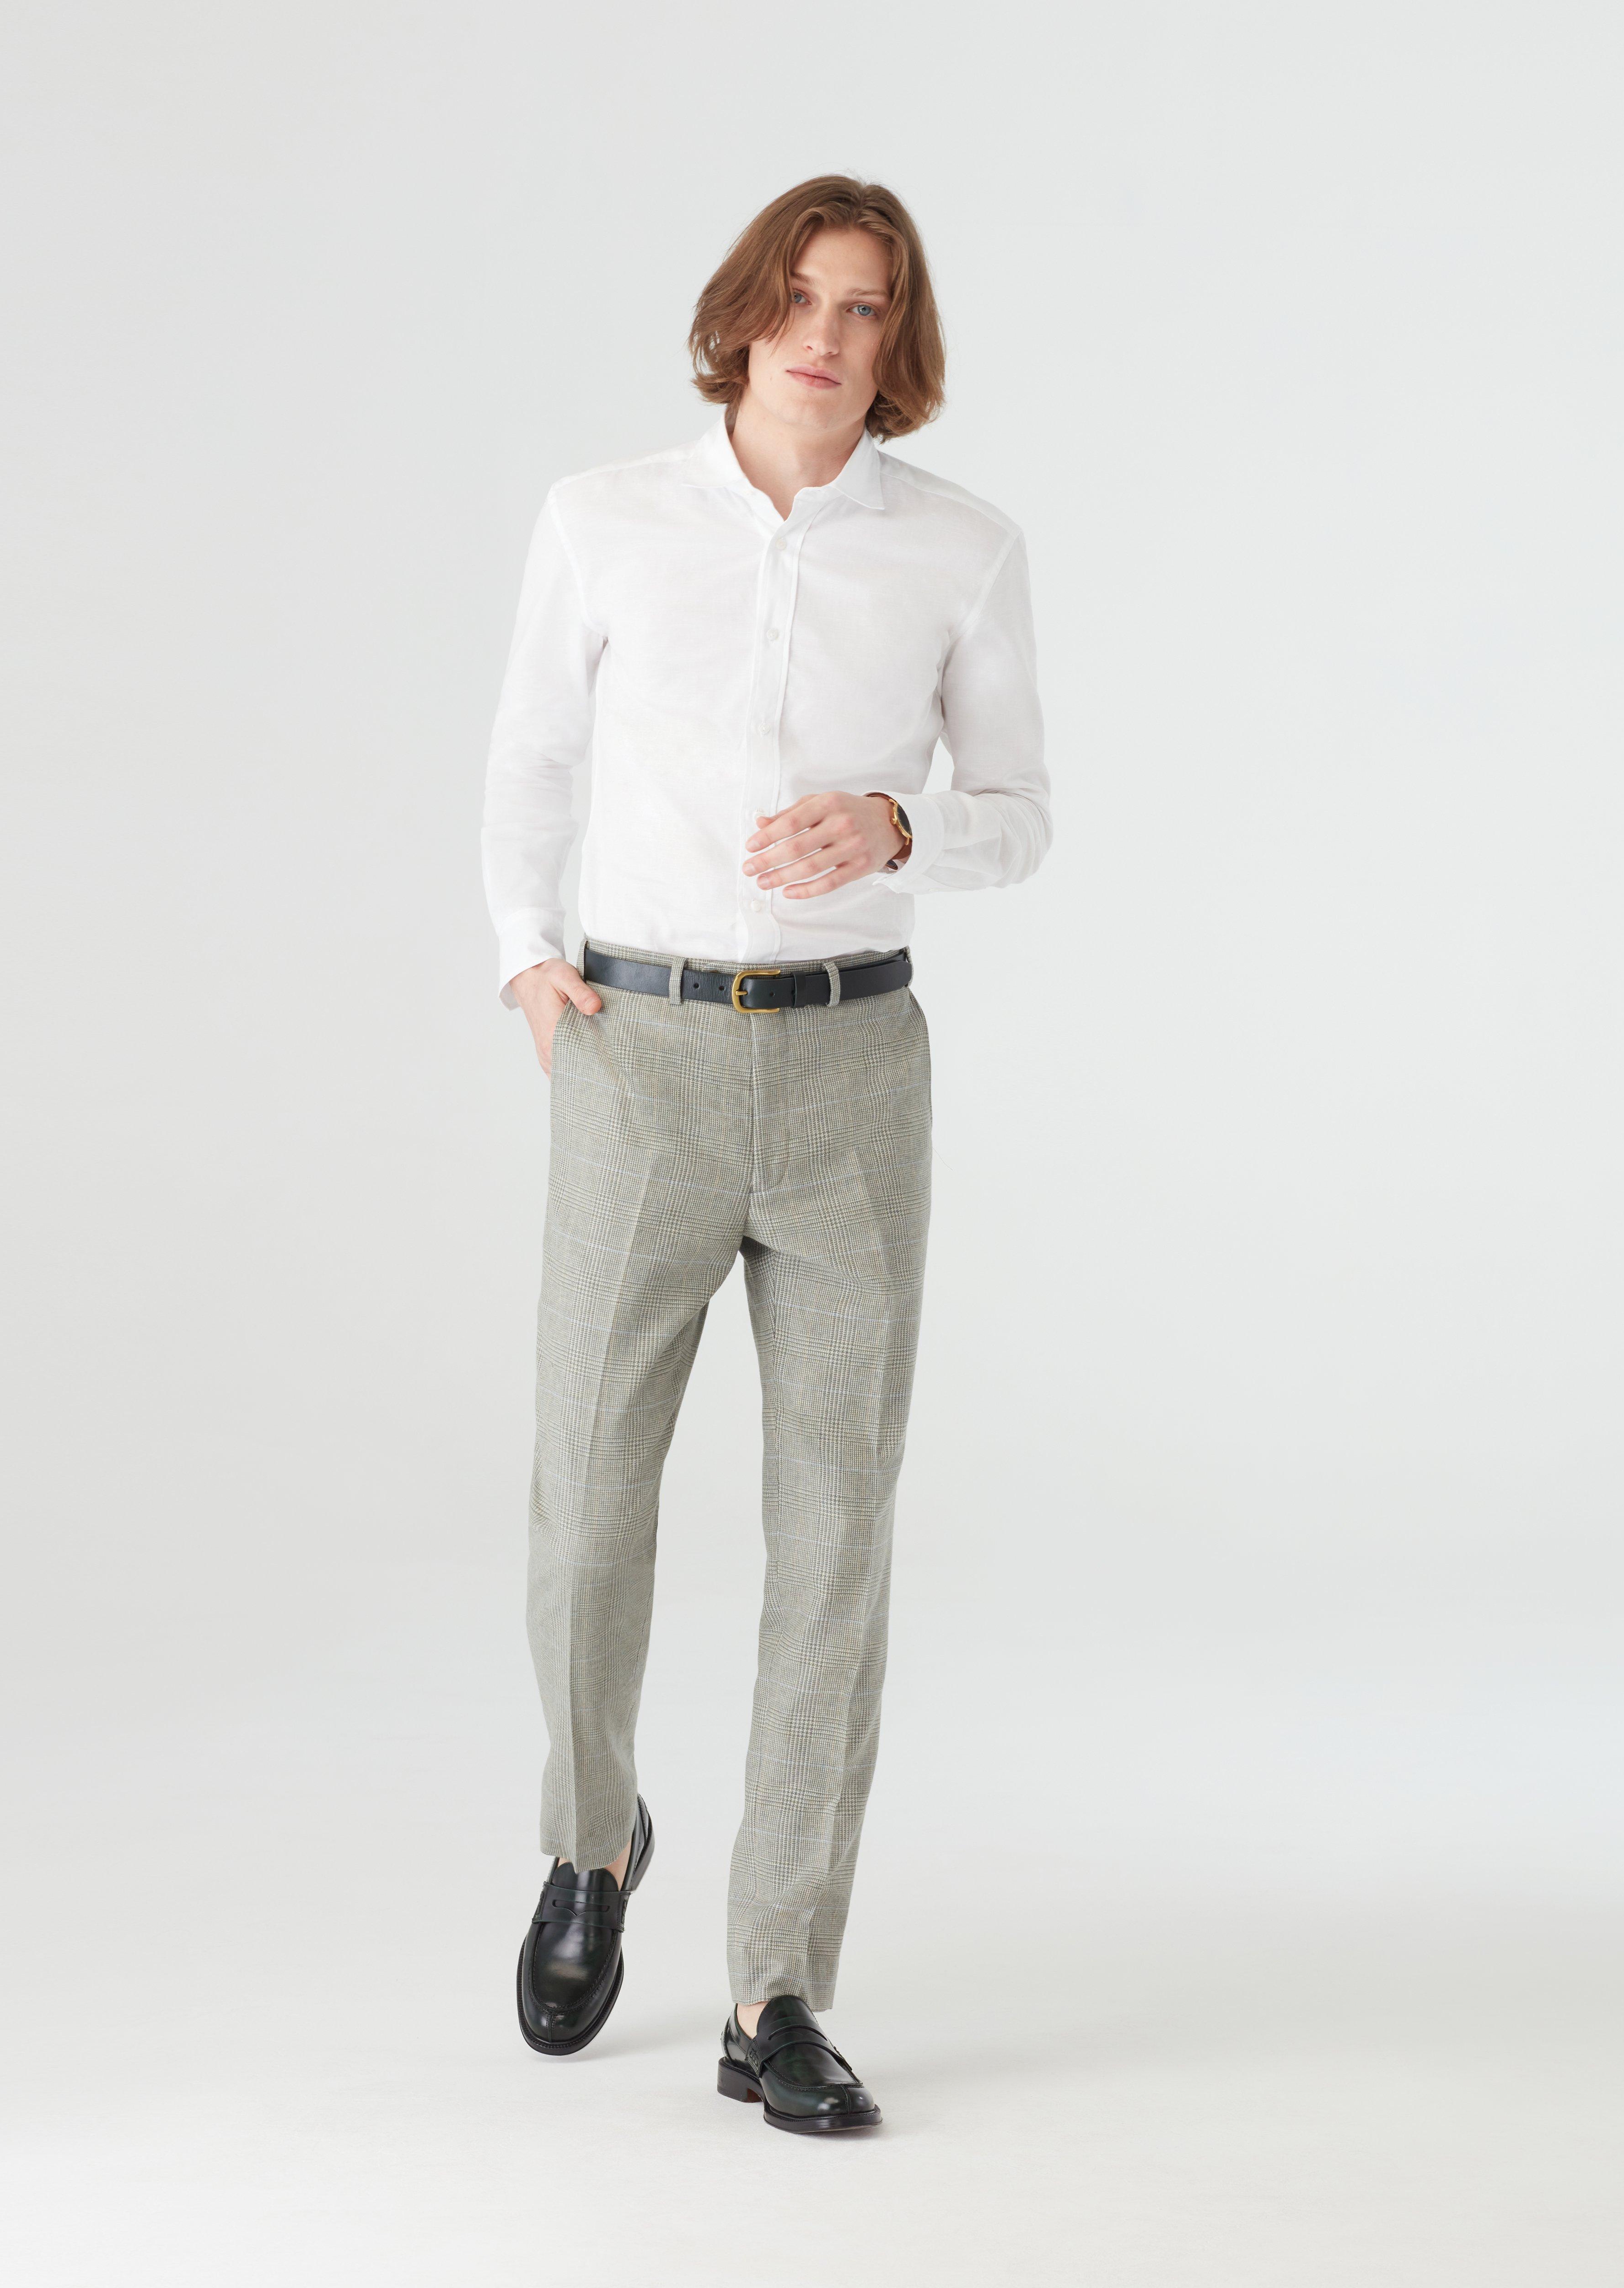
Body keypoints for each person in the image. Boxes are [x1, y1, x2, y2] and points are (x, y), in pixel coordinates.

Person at [481, 174, 1049, 2134]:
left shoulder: (960, 549)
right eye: (796, 297)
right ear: (740, 315)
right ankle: (591, 1833)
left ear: (900, 340)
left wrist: (896, 828)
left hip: (850, 1073)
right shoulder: (603, 518)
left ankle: (775, 1982)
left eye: (864, 306)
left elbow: (1017, 810)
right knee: (585, 1509)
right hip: (635, 1053)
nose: (824, 334)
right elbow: (530, 759)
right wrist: (525, 956)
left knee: (833, 1535)